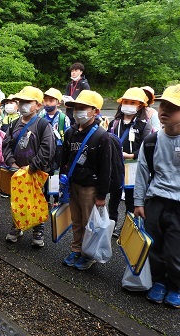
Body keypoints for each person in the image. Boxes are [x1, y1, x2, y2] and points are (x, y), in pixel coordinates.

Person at [134, 85, 180, 308]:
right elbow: (142, 172)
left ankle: (176, 286)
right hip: (156, 202)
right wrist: (138, 202)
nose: (165, 110)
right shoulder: (151, 141)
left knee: (175, 251)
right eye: (163, 105)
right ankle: (159, 282)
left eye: (172, 107)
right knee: (154, 246)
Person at [60, 90, 111, 270]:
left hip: (91, 187)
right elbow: (65, 158)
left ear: (95, 111)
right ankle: (76, 249)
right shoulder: (70, 132)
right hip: (74, 183)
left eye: (83, 108)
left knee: (89, 223)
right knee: (76, 220)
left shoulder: (101, 136)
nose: (78, 112)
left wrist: (102, 195)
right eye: (76, 108)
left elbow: (106, 169)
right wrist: (61, 178)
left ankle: (88, 254)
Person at [2, 86, 55, 246]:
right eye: (21, 102)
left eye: (27, 102)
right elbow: (6, 144)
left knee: (37, 200)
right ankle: (17, 225)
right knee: (17, 201)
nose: (23, 105)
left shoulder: (43, 125)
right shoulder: (14, 123)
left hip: (36, 172)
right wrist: (12, 162)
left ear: (38, 105)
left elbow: (48, 148)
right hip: (17, 171)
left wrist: (32, 167)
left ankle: (38, 230)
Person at [107, 87, 152, 237]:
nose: (128, 105)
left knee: (131, 200)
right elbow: (107, 142)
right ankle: (111, 224)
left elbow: (147, 147)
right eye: (126, 102)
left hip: (133, 168)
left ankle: (128, 228)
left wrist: (131, 155)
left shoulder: (144, 125)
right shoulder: (114, 123)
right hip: (115, 167)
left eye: (133, 102)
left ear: (140, 106)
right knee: (113, 197)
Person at [39, 88, 70, 207]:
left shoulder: (63, 118)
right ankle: (45, 198)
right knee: (44, 173)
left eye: (51, 100)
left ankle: (57, 199)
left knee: (57, 173)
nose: (47, 103)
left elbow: (67, 136)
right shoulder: (41, 115)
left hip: (59, 150)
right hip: (45, 149)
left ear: (58, 102)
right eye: (45, 100)